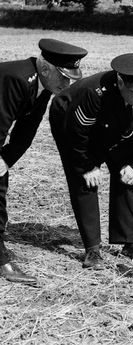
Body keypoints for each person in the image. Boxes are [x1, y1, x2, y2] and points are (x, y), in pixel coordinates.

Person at [49, 53, 133, 270]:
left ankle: (131, 243)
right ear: (120, 83)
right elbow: (76, 133)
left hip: (121, 127)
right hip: (72, 122)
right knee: (86, 181)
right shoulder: (95, 95)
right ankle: (92, 250)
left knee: (126, 177)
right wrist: (87, 166)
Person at [0, 38, 87, 285]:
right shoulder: (17, 79)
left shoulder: (44, 86)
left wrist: (6, 160)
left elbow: (26, 130)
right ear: (46, 68)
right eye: (64, 76)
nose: (68, 83)